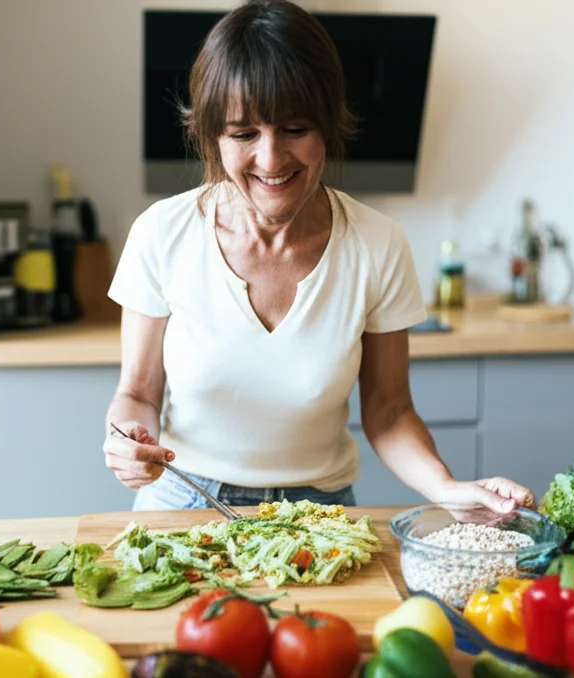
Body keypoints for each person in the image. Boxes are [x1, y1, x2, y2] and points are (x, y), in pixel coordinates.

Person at [103, 0, 534, 515]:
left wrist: (446, 488)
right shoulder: (161, 233)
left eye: (294, 128)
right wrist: (131, 441)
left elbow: (390, 410)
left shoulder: (378, 245)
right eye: (243, 134)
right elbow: (138, 392)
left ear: (328, 125)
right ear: (213, 138)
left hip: (320, 511)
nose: (270, 158)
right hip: (183, 498)